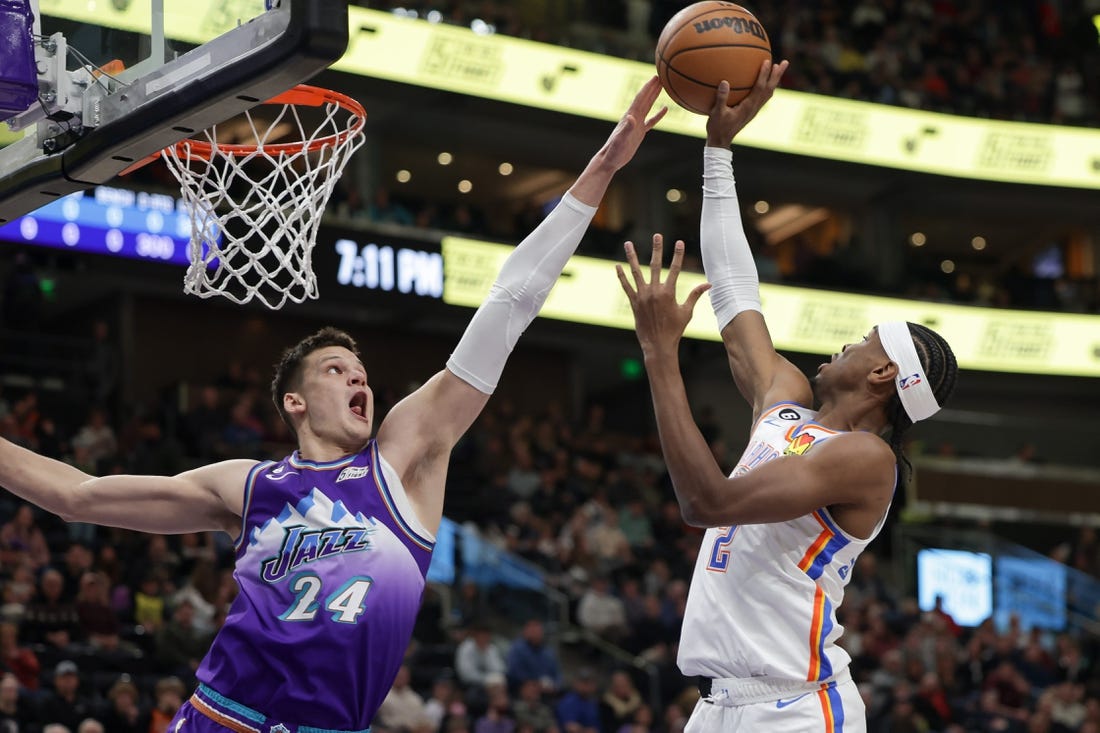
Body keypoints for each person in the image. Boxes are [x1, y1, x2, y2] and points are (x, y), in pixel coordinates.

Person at [0, 76, 668, 732]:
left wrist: (604, 167)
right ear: (294, 400)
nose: (360, 380)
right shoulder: (250, 485)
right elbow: (79, 496)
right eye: (337, 368)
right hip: (220, 716)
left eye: (363, 372)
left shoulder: (403, 457)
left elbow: (512, 301)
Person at [615, 61, 959, 732]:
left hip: (797, 709)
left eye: (863, 341)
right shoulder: (787, 399)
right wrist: (718, 154)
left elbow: (705, 502)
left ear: (884, 374)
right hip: (719, 705)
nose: (844, 345)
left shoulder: (865, 459)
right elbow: (735, 289)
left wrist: (660, 354)